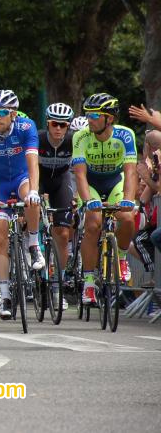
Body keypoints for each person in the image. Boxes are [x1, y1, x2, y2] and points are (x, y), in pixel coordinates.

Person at [0, 89, 42, 320]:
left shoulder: (26, 126)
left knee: (32, 201)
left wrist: (33, 190)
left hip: (21, 177)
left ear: (12, 113)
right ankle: (4, 294)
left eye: (1, 112)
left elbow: (33, 163)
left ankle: (33, 243)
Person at [73, 93, 137, 303]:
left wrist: (128, 199)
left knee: (127, 218)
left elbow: (130, 172)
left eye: (94, 115)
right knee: (93, 225)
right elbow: (80, 174)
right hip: (90, 183)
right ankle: (89, 283)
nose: (89, 119)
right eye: (87, 115)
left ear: (109, 118)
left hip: (114, 182)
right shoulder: (81, 136)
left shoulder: (125, 135)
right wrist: (87, 200)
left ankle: (122, 257)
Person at [38, 103, 75, 298]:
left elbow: (79, 170)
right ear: (48, 123)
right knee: (29, 216)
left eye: (63, 125)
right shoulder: (38, 139)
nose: (58, 128)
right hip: (39, 180)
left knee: (62, 232)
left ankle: (58, 281)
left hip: (61, 181)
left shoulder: (72, 141)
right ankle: (32, 251)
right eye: (54, 124)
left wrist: (77, 196)